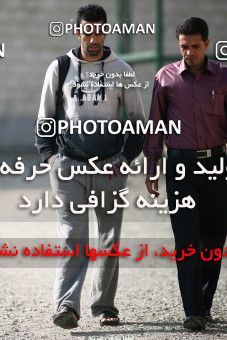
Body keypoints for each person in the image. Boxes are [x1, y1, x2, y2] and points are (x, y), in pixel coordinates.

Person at [35, 4, 145, 329]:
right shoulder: (60, 67)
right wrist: (51, 158)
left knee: (109, 239)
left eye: (99, 30)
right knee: (73, 236)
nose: (93, 37)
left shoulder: (122, 69)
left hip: (110, 167)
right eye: (87, 29)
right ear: (77, 30)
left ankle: (104, 307)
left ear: (106, 31)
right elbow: (44, 116)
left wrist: (125, 160)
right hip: (69, 167)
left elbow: (138, 120)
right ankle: (67, 306)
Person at [143, 17, 227, 331]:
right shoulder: (165, 78)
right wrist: (151, 167)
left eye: (194, 46)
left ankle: (204, 304)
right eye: (183, 47)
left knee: (214, 239)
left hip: (217, 165)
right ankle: (192, 310)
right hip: (179, 168)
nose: (189, 52)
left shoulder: (223, 76)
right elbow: (155, 126)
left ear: (206, 43)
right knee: (186, 240)